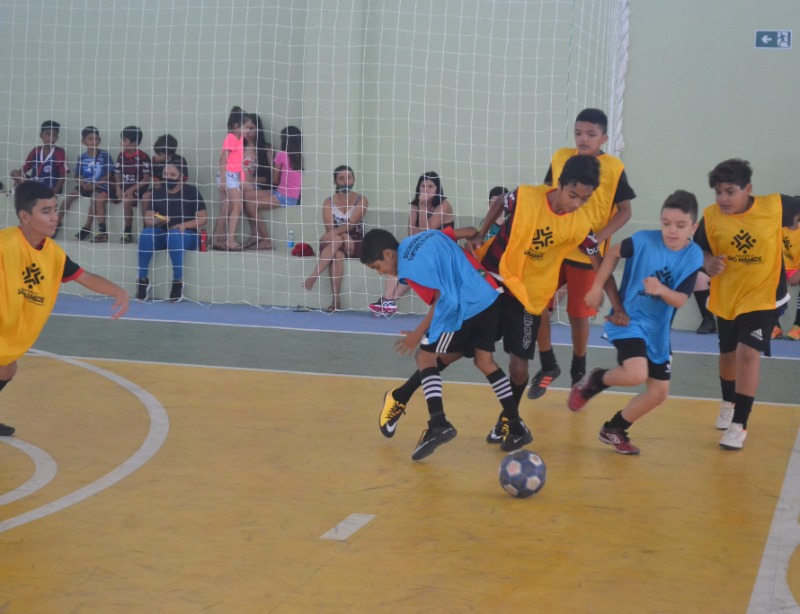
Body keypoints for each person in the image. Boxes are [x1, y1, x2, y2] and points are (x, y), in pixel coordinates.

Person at [379, 155, 623, 445]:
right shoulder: (525, 197)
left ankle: (507, 420)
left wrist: (616, 305)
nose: (576, 204)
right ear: (559, 185)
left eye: (585, 199)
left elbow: (599, 262)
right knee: (450, 354)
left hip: (528, 297)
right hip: (489, 283)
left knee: (518, 366)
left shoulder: (580, 224)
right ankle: (401, 398)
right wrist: (481, 233)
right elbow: (499, 202)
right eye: (573, 195)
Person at [361, 225, 528, 460]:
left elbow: (442, 299)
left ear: (388, 254)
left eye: (378, 267)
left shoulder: (409, 268)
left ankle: (438, 423)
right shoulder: (422, 237)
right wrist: (474, 243)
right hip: (488, 295)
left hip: (465, 306)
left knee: (424, 357)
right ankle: (517, 426)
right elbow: (469, 231)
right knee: (484, 361)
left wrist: (417, 334)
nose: (381, 273)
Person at [567, 190, 704, 454]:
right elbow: (612, 253)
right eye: (666, 223)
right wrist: (596, 287)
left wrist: (661, 290)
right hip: (627, 320)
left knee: (658, 393)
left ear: (693, 227)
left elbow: (679, 300)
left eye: (680, 225)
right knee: (635, 374)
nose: (672, 230)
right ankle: (597, 380)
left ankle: (614, 429)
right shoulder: (642, 241)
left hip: (658, 331)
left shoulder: (693, 255)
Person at [0, 181, 129, 436]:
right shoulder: (6, 245)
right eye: (45, 211)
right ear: (25, 216)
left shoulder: (53, 254)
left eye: (55, 209)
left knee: (7, 368)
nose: (54, 217)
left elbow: (84, 277)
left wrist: (118, 291)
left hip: (7, 334)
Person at [528, 108, 635, 400]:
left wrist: (597, 238)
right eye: (578, 133)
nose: (583, 139)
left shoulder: (614, 168)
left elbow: (626, 211)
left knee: (578, 316)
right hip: (552, 248)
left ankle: (578, 367)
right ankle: (548, 364)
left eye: (591, 134)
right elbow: (545, 197)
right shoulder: (561, 158)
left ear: (604, 138)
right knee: (536, 307)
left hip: (586, 256)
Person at [694, 159, 800, 450]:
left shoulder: (776, 206)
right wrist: (708, 262)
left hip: (763, 296)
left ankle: (739, 424)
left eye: (730, 192)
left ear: (748, 189)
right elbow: (698, 248)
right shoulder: (711, 217)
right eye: (718, 192)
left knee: (748, 353)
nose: (723, 199)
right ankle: (728, 402)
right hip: (728, 295)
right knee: (728, 354)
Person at [369, 171, 455, 316]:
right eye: (423, 186)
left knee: (414, 262)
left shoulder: (444, 206)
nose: (426, 190)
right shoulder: (415, 206)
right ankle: (387, 301)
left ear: (437, 189)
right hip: (423, 247)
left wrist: (422, 207)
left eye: (430, 186)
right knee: (395, 256)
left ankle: (389, 301)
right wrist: (419, 208)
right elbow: (411, 234)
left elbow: (425, 232)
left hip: (442, 250)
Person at [136, 159, 207, 303]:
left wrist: (183, 225)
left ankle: (177, 281)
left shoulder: (191, 191)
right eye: (165, 174)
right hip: (163, 233)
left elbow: (203, 218)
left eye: (172, 174)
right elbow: (148, 219)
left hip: (186, 235)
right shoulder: (157, 192)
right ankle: (142, 280)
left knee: (175, 236)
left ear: (181, 176)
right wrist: (158, 221)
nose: (168, 177)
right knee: (146, 234)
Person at [303, 165, 368, 312]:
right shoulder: (328, 202)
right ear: (335, 182)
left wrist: (343, 236)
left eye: (349, 178)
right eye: (341, 178)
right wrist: (343, 236)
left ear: (354, 180)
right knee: (337, 254)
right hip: (334, 240)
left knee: (337, 241)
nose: (346, 181)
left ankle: (314, 276)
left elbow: (353, 223)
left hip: (355, 242)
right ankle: (335, 301)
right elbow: (329, 229)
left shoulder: (362, 200)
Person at [243, 125, 303, 250]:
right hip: (290, 195)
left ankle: (266, 240)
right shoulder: (300, 156)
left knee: (250, 204)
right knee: (246, 195)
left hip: (284, 196)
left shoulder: (281, 154)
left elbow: (275, 180)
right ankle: (255, 234)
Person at [60, 126, 114, 243]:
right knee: (69, 196)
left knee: (95, 198)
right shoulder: (82, 157)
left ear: (99, 140)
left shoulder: (104, 155)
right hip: (85, 185)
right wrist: (83, 184)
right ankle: (57, 222)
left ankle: (91, 229)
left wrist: (95, 185)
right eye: (90, 139)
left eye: (96, 139)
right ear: (83, 141)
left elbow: (109, 175)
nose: (93, 141)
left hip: (101, 185)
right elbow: (77, 176)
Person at [212, 107, 254, 251]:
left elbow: (238, 160)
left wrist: (242, 178)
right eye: (246, 127)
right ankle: (230, 240)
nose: (248, 130)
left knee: (226, 209)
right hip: (227, 176)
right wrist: (223, 180)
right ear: (237, 126)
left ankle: (215, 239)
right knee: (237, 206)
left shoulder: (240, 138)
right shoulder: (231, 137)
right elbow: (222, 159)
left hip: (233, 176)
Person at [241, 113, 277, 250]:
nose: (248, 131)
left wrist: (251, 179)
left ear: (258, 129)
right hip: (241, 186)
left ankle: (259, 236)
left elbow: (270, 177)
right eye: (245, 128)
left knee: (244, 195)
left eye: (251, 128)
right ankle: (255, 234)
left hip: (261, 187)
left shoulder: (266, 148)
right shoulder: (238, 148)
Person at [10, 120, 68, 200]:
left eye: (54, 135)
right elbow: (23, 169)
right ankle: (30, 190)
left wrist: (54, 193)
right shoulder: (36, 150)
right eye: (48, 134)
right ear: (41, 135)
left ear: (57, 138)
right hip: (33, 185)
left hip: (48, 188)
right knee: (14, 173)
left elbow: (63, 175)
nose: (51, 138)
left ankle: (35, 192)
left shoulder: (60, 152)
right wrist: (16, 186)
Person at [114, 126, 152, 244]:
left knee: (127, 200)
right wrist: (118, 187)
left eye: (124, 140)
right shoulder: (121, 156)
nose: (121, 142)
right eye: (122, 139)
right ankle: (127, 231)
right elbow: (117, 174)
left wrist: (132, 189)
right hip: (125, 188)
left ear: (134, 143)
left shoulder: (143, 157)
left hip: (138, 189)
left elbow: (146, 179)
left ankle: (137, 231)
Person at [141, 134, 190, 214]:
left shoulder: (180, 161)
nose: (156, 156)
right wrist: (161, 194)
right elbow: (157, 184)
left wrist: (172, 192)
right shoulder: (154, 161)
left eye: (159, 154)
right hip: (160, 189)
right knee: (146, 196)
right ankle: (147, 221)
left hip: (177, 189)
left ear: (169, 155)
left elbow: (183, 182)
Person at [772, 211, 800, 340]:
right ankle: (774, 326)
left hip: (797, 270)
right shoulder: (778, 230)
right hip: (780, 269)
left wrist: (798, 273)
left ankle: (798, 326)